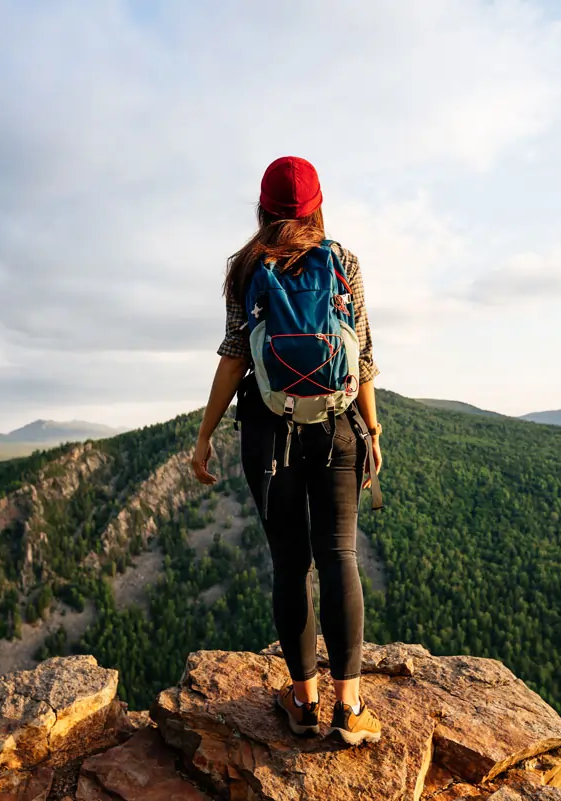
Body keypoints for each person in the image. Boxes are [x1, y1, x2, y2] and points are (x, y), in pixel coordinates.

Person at [191, 155, 384, 746]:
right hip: (338, 429)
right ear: (317, 206)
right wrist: (372, 432)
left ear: (263, 208)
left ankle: (302, 703)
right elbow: (366, 353)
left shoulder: (246, 267)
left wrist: (205, 435)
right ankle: (349, 710)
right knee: (339, 557)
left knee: (290, 563)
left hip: (269, 433)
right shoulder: (343, 260)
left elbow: (234, 353)